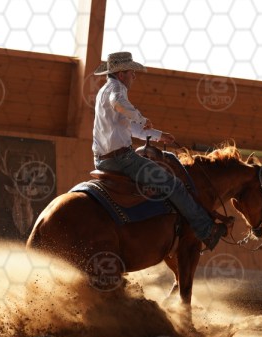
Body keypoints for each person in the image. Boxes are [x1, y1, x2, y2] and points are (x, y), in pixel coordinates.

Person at [92, 52, 229, 250]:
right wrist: (140, 117)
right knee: (174, 184)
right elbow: (119, 103)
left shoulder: (102, 92)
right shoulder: (116, 89)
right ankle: (207, 230)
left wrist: (158, 135)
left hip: (102, 160)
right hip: (123, 160)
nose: (134, 76)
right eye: (131, 72)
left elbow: (128, 127)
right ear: (121, 74)